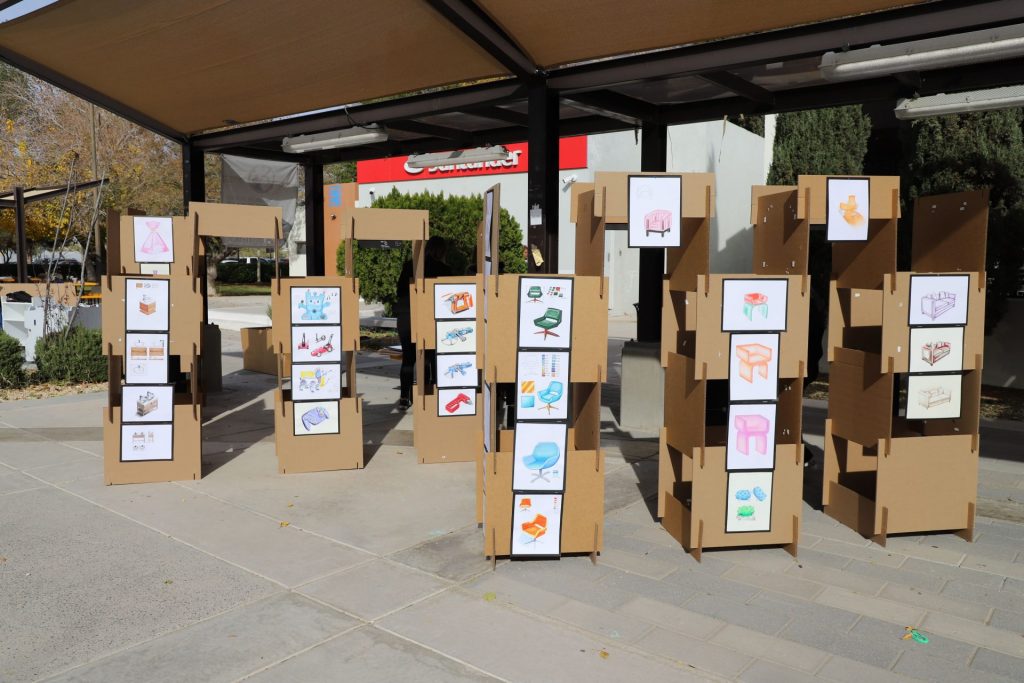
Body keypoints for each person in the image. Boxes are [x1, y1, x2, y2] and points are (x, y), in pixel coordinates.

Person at [394, 236, 451, 409]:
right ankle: (426, 395)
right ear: (442, 251)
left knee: (408, 358)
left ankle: (404, 397)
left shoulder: (409, 266)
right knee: (429, 357)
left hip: (407, 316)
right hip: (431, 317)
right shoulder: (444, 269)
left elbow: (399, 291)